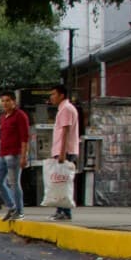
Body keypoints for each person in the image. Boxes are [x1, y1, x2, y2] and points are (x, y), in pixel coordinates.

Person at [0, 92, 29, 221]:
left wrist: (24, 156)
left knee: (14, 183)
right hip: (2, 154)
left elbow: (25, 138)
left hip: (15, 154)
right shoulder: (3, 117)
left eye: (8, 100)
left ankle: (19, 210)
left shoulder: (20, 116)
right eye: (3, 101)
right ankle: (11, 205)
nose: (5, 103)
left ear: (14, 101)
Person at [49, 84, 80, 221]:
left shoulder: (66, 109)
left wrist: (62, 153)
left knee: (62, 182)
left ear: (61, 95)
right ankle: (61, 210)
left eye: (54, 94)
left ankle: (65, 212)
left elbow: (66, 132)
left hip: (65, 151)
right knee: (60, 181)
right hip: (63, 150)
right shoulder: (63, 109)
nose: (51, 97)